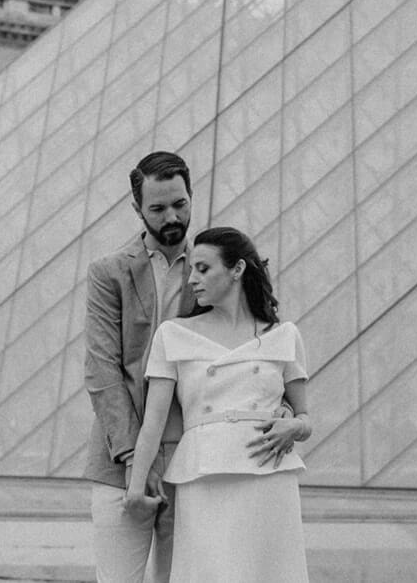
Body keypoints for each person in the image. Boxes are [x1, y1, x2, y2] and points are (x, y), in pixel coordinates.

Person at [124, 227, 312, 583]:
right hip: (204, 474)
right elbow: (154, 421)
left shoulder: (284, 335)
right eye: (192, 269)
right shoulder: (174, 334)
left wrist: (296, 425)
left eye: (203, 269)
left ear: (237, 269)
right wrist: (135, 490)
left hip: (269, 476)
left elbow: (305, 417)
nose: (192, 279)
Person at [83, 151, 199, 583]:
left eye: (180, 204)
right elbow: (102, 371)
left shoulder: (213, 268)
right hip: (120, 461)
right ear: (137, 209)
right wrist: (136, 456)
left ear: (191, 196)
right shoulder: (108, 272)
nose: (172, 216)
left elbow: (249, 345)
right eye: (158, 208)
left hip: (190, 458)